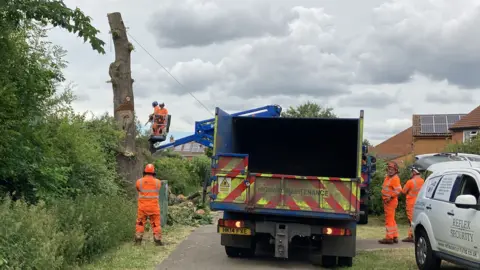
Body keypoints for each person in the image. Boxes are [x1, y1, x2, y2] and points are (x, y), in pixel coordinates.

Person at [135, 164, 163, 246]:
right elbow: (158, 189)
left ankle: (138, 240)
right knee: (155, 224)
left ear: (145, 172)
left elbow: (138, 189)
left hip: (142, 207)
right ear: (154, 173)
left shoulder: (139, 181)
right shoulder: (158, 182)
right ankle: (157, 240)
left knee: (140, 223)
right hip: (154, 207)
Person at [379, 161, 402, 244]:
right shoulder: (388, 177)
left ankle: (389, 238)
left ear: (395, 170)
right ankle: (395, 236)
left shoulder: (395, 178)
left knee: (389, 220)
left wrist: (390, 197)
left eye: (392, 169)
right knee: (391, 219)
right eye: (389, 168)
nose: (390, 170)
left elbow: (398, 190)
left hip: (390, 202)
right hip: (387, 201)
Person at [401, 165, 424, 243]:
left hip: (411, 203)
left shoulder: (410, 182)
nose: (411, 173)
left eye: (411, 171)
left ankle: (411, 235)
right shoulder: (423, 181)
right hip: (420, 203)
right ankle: (413, 235)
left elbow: (403, 191)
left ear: (414, 172)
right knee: (417, 219)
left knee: (411, 220)